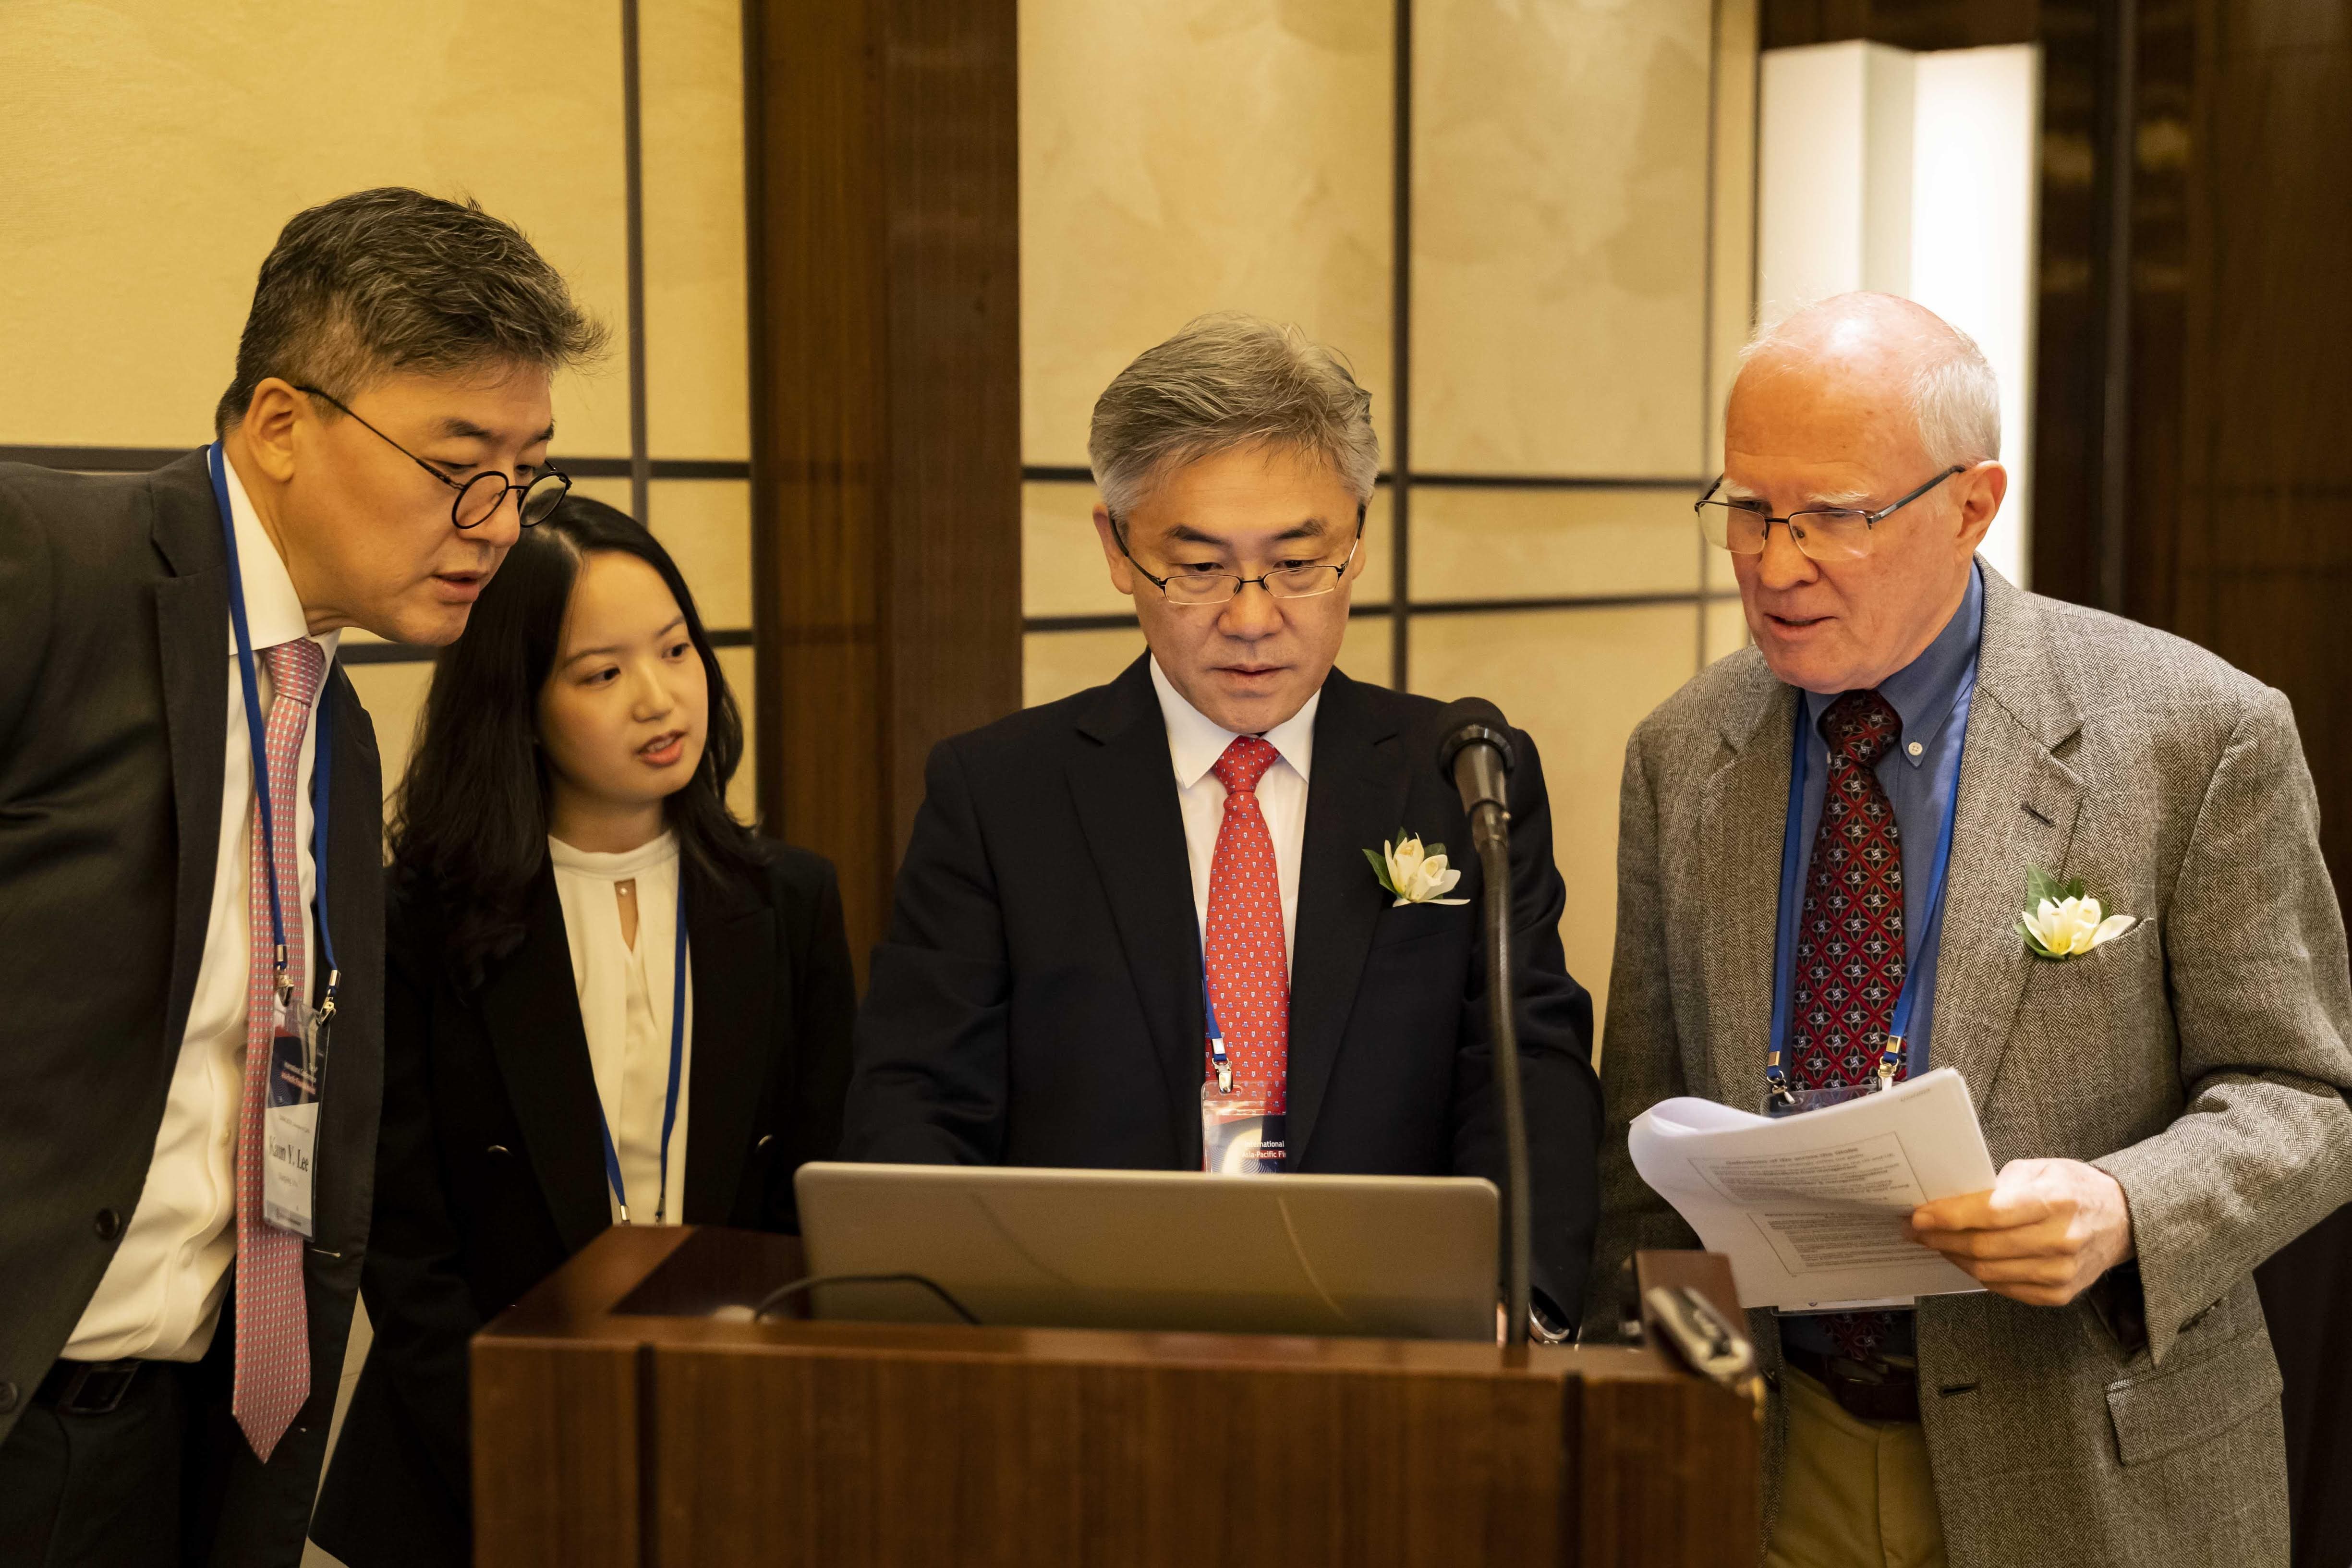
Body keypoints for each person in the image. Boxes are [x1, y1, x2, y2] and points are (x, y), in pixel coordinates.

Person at [1585, 292, 2352, 1567]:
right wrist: (1658, 1428)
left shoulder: (2194, 733)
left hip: (2091, 1460)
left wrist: (2123, 1204)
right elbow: (1641, 1156)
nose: (1774, 563)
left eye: (1833, 516)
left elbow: (2306, 1096)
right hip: (1774, 1455)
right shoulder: (1682, 753)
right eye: (1749, 508)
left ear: (1971, 504)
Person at [0, 188, 601, 1566]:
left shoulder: (327, 719)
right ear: (281, 423)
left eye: (527, 473)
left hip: (187, 1436)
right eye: (459, 465)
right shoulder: (48, 568)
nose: (500, 523)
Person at [842, 312, 1603, 1331]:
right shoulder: (999, 795)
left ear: (1358, 542)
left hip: (1395, 1338)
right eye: (1198, 568)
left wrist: (1514, 1302)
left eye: (1297, 564)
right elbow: (919, 1100)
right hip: (1086, 1340)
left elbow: (1525, 1070)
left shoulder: (1457, 776)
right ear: (1117, 548)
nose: (1251, 619)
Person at [306, 497, 856, 1567]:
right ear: (518, 704)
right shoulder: (416, 919)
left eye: (676, 649)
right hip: (475, 1463)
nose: (660, 696)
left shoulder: (791, 901)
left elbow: (819, 1193)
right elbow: (404, 1247)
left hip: (736, 1446)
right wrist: (529, 1445)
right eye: (602, 673)